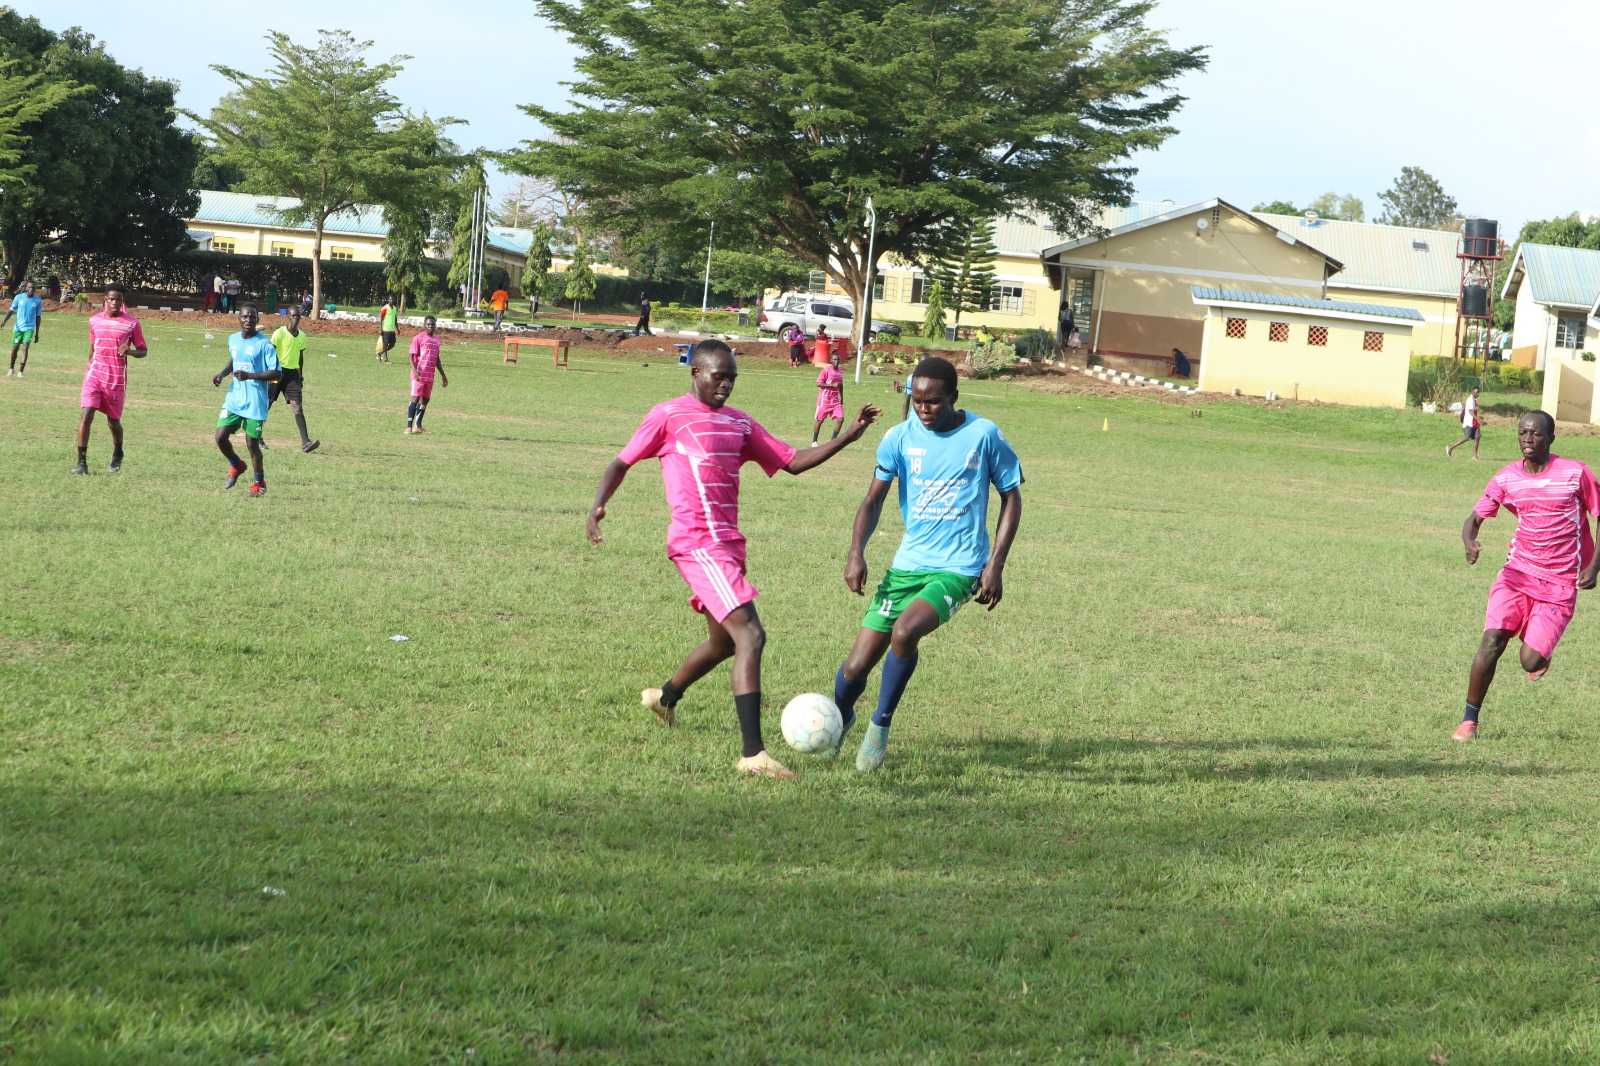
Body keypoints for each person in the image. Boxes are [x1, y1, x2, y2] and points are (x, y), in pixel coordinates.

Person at [585, 339, 881, 779]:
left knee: (724, 643)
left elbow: (793, 462)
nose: (725, 384)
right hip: (696, 543)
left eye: (732, 378)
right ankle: (752, 754)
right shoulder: (668, 416)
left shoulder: (740, 423)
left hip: (729, 546)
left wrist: (849, 436)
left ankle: (664, 697)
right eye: (718, 376)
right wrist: (597, 505)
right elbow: (620, 462)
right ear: (695, 373)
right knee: (751, 636)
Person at [827, 356, 1023, 771]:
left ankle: (879, 727)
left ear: (954, 397)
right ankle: (836, 721)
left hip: (960, 568)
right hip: (907, 566)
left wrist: (996, 564)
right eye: (917, 401)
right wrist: (856, 551)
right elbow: (872, 500)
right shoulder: (898, 438)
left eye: (933, 402)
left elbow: (1011, 497)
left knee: (905, 631)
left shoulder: (984, 435)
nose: (924, 409)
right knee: (856, 666)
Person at [1454, 411, 1600, 741]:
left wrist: (1594, 566)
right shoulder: (1507, 478)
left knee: (1529, 660)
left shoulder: (1575, 473)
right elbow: (1473, 519)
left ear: (1551, 438)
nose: (1528, 439)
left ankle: (1539, 653)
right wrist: (1469, 542)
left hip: (1560, 581)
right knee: (1492, 640)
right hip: (1517, 574)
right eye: (1522, 433)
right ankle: (1468, 722)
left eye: (1536, 434)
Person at [72, 284, 147, 475]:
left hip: (115, 380)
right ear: (105, 299)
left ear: (123, 301)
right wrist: (88, 369)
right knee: (86, 414)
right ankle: (81, 463)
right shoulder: (94, 321)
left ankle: (118, 451)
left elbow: (143, 350)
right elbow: (93, 348)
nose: (115, 302)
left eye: (118, 299)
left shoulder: (132, 323)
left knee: (113, 423)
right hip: (94, 375)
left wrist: (130, 351)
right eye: (111, 299)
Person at [211, 302, 280, 496]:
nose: (248, 319)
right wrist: (222, 374)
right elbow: (234, 359)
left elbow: (277, 373)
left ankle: (259, 483)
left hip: (255, 402)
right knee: (220, 437)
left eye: (252, 317)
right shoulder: (233, 339)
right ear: (239, 319)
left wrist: (250, 376)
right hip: (234, 399)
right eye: (245, 316)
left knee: (252, 444)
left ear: (257, 319)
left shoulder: (264, 344)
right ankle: (237, 465)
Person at [268, 304, 320, 453]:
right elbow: (270, 354)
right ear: (288, 317)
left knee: (297, 406)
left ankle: (306, 442)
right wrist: (270, 373)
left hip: (292, 375)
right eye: (293, 315)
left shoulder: (302, 336)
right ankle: (256, 435)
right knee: (267, 403)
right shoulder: (279, 333)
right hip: (277, 372)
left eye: (298, 316)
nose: (296, 318)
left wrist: (300, 376)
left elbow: (300, 357)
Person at [406, 315, 448, 433]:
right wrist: (415, 371)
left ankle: (418, 425)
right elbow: (410, 355)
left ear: (435, 325)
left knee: (425, 399)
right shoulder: (418, 338)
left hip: (430, 374)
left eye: (432, 324)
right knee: (415, 398)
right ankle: (408, 426)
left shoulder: (437, 340)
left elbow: (436, 359)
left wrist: (443, 375)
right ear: (424, 325)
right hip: (419, 373)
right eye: (428, 324)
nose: (430, 326)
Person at [2, 278, 43, 377]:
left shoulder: (38, 301)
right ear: (26, 288)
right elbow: (11, 310)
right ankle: (11, 368)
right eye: (30, 287)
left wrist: (37, 333)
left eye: (33, 288)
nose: (31, 289)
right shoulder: (18, 298)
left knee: (25, 346)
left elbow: (38, 317)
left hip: (29, 328)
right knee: (15, 348)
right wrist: (4, 321)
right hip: (18, 328)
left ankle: (20, 371)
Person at [812, 349, 846, 444]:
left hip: (835, 400)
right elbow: (818, 383)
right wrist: (831, 385)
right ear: (831, 360)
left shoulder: (841, 371)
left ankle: (832, 441)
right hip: (825, 400)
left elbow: (840, 385)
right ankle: (814, 441)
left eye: (838, 359)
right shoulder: (826, 370)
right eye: (834, 359)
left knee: (841, 419)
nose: (836, 361)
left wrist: (841, 397)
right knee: (820, 421)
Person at [1448, 386, 1482, 459]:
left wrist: (1478, 420)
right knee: (1466, 438)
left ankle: (1474, 455)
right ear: (1473, 392)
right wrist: (1478, 419)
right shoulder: (1470, 400)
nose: (1478, 394)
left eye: (1479, 392)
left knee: (1477, 436)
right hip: (1469, 422)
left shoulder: (1474, 400)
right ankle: (1450, 448)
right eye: (1477, 392)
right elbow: (1470, 411)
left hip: (1474, 423)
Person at [377, 294, 398, 362]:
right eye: (390, 299)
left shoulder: (394, 308)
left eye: (393, 299)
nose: (392, 300)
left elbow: (395, 319)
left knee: (392, 344)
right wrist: (380, 328)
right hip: (385, 329)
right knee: (385, 343)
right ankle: (386, 359)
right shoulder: (385, 308)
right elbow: (381, 318)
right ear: (388, 300)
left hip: (392, 330)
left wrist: (397, 328)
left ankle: (380, 353)